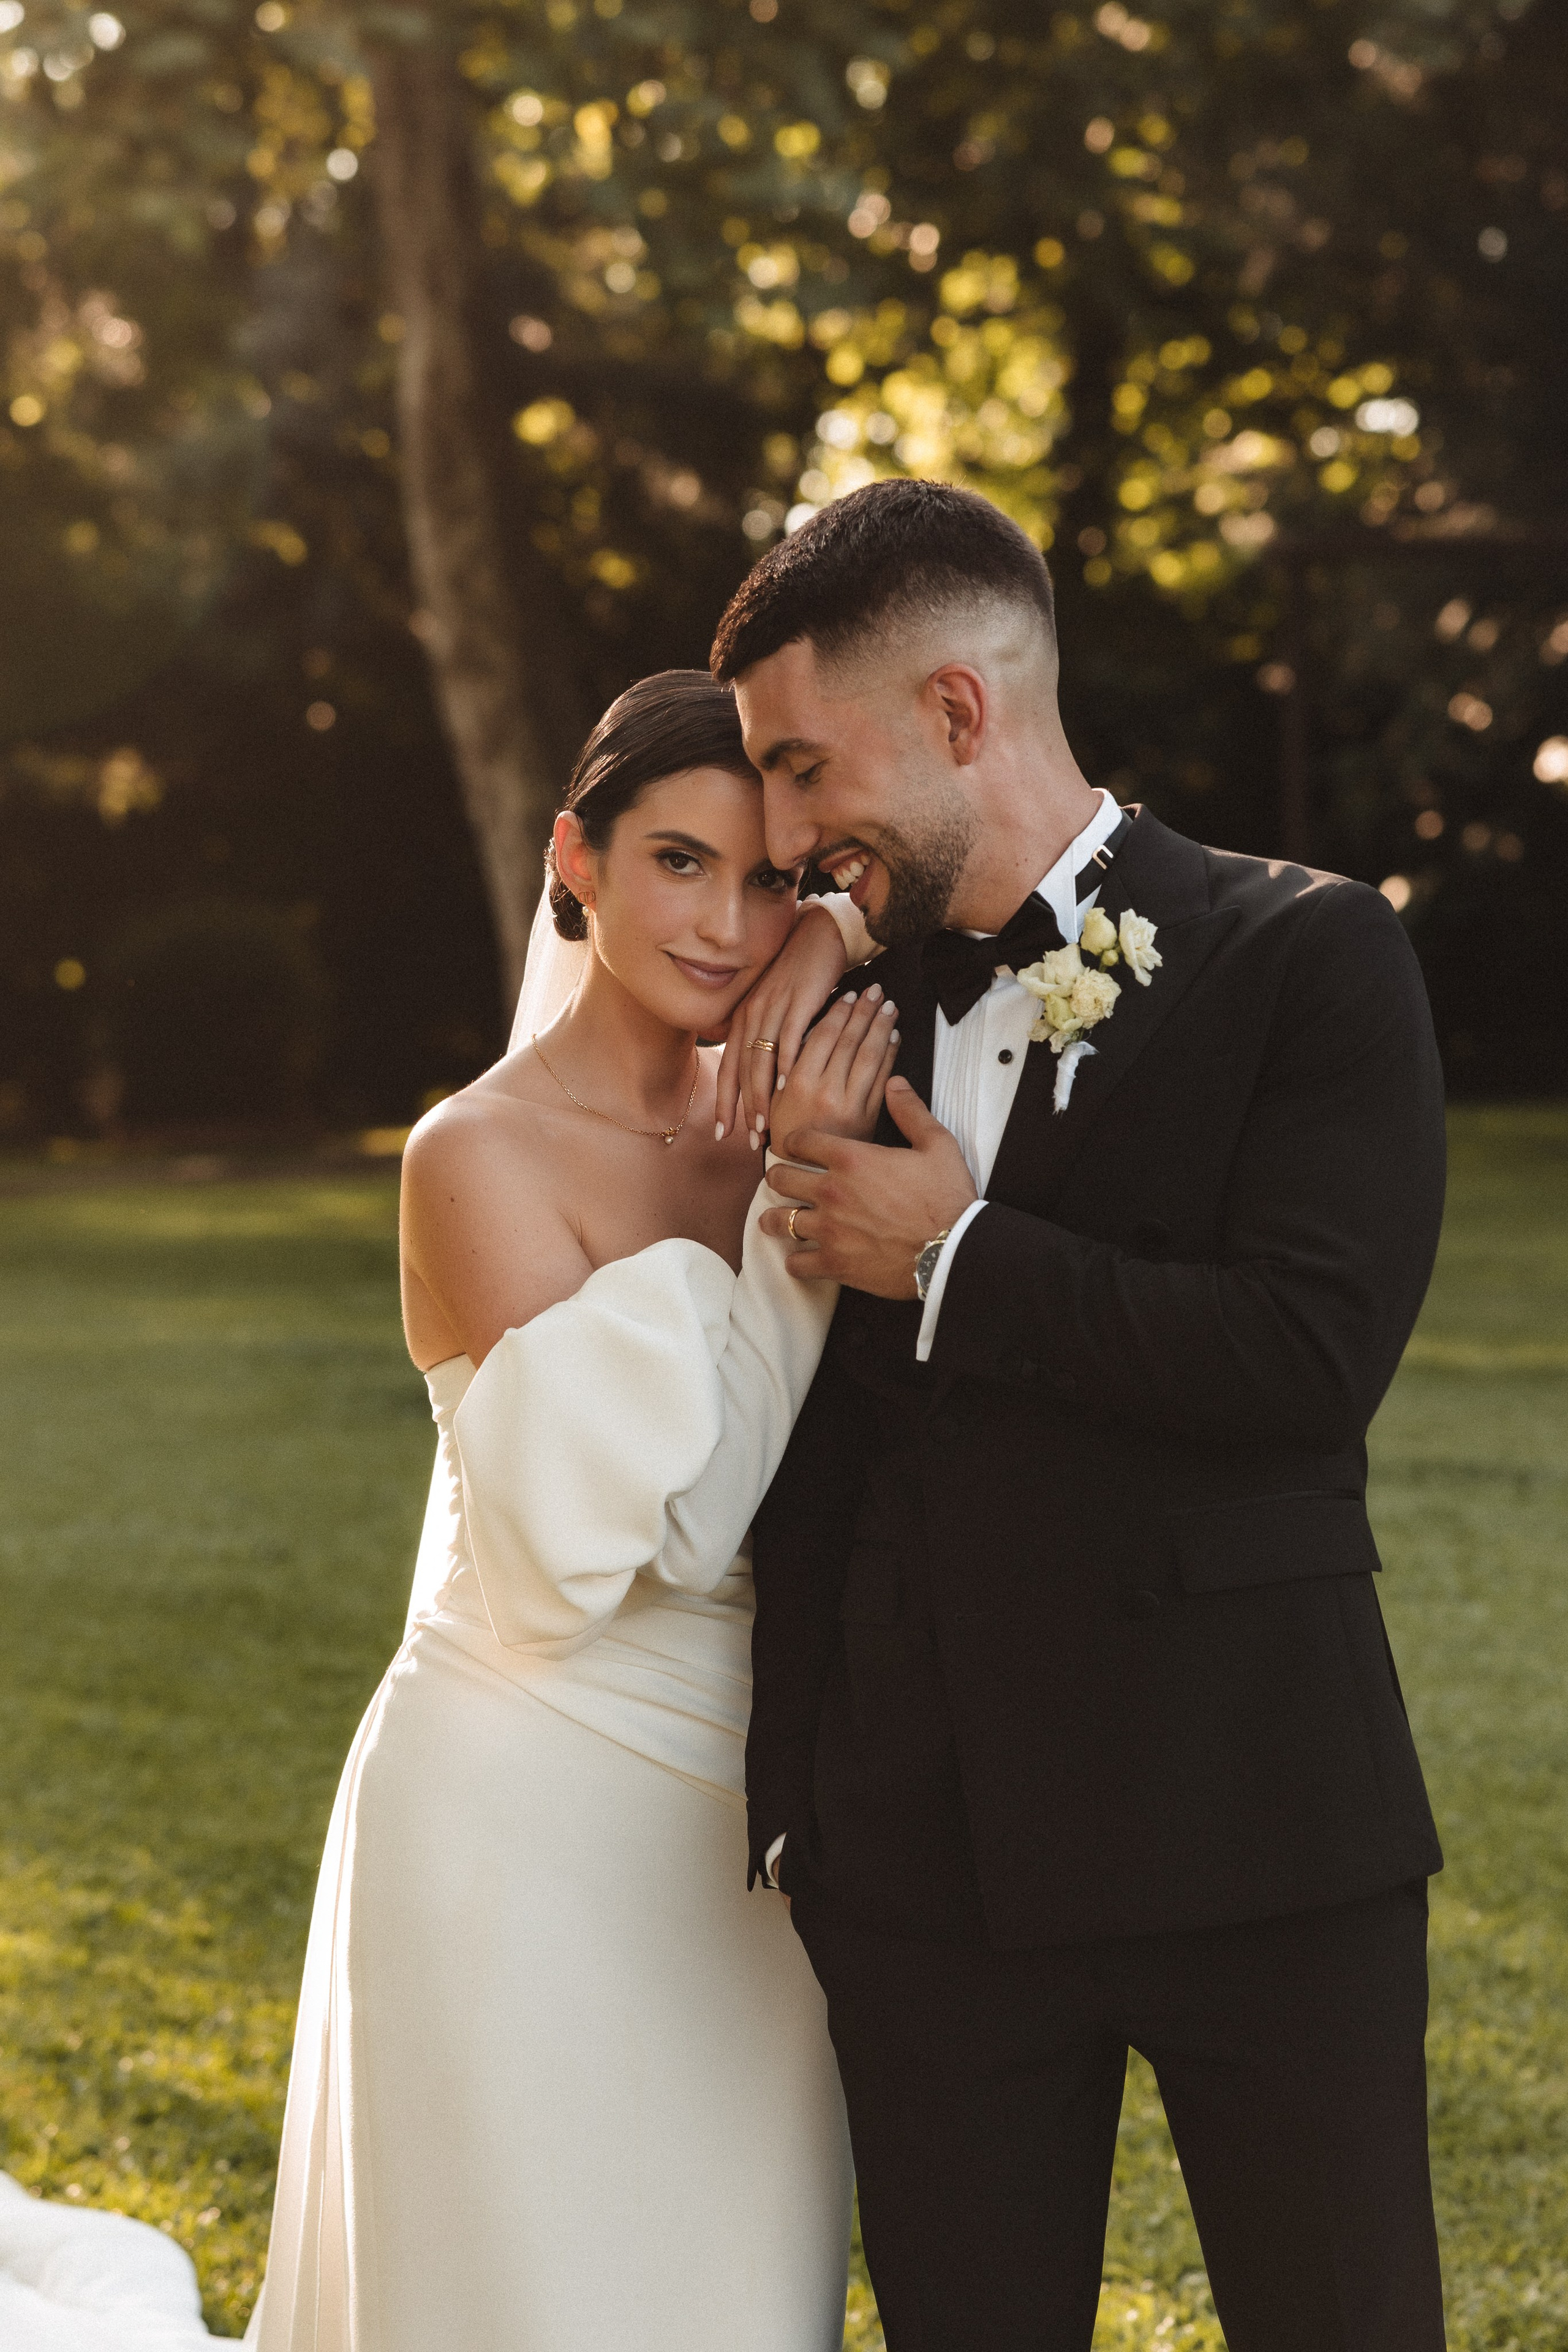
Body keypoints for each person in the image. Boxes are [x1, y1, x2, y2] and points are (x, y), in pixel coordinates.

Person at [715, 480, 1450, 2351]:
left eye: (804, 770)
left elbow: (1306, 1355)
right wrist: (805, 1800)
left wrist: (953, 1257)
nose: (785, 842)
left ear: (957, 712)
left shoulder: (1309, 953)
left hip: (1256, 1826)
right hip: (926, 1868)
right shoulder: (845, 1005)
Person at [243, 670, 897, 2351]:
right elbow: (647, 1538)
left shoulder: (804, 1078)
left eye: (770, 881)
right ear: (575, 858)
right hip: (519, 1801)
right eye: (680, 862)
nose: (726, 924)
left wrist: (838, 935)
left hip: (756, 1825)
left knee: (736, 2296)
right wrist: (795, 1225)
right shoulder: (476, 1154)